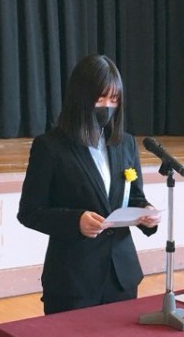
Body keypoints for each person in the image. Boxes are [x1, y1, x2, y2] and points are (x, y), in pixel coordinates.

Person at [17, 54, 160, 314]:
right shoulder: (49, 147)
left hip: (121, 276)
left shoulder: (125, 143)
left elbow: (134, 196)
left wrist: (146, 213)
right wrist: (76, 221)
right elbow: (29, 212)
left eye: (114, 100)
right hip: (73, 280)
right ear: (80, 98)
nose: (107, 106)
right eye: (100, 99)